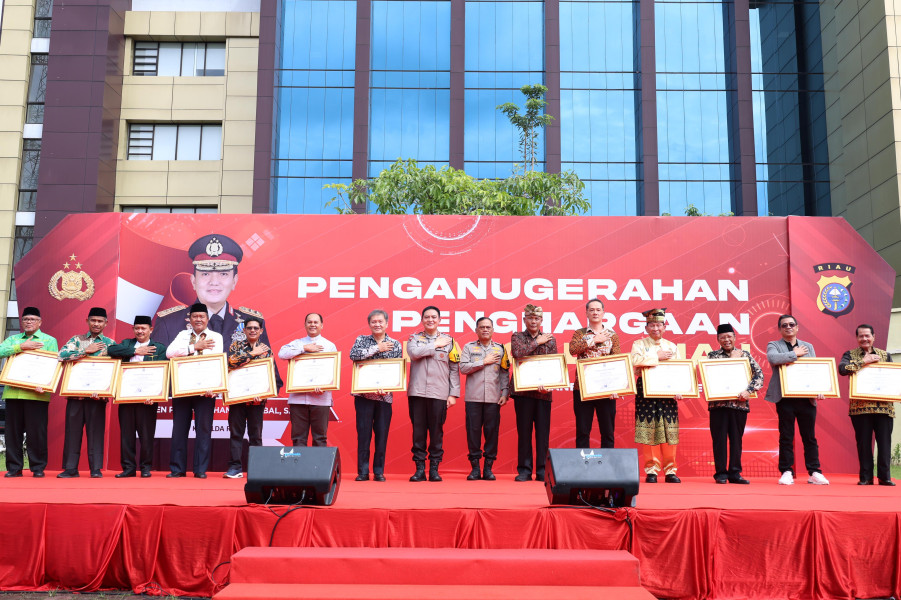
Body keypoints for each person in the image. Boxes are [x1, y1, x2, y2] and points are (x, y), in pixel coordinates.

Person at [154, 233, 270, 350]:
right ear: (193, 281)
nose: (214, 282)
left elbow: (267, 367)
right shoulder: (168, 323)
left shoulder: (252, 324)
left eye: (223, 274)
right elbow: (155, 367)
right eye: (205, 274)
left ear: (234, 281)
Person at [765, 314, 829, 485]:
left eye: (791, 324)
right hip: (785, 398)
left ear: (797, 327)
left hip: (806, 398)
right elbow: (773, 359)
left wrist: (819, 390)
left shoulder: (808, 346)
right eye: (784, 325)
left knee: (809, 437)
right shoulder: (774, 345)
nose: (788, 327)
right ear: (780, 329)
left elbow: (815, 369)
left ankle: (814, 471)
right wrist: (794, 354)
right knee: (786, 436)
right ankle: (786, 471)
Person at [165, 302, 224, 478]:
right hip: (183, 388)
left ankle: (200, 470)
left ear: (207, 319)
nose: (198, 319)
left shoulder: (216, 337)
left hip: (205, 391)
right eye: (195, 316)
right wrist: (194, 347)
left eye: (202, 317)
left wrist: (215, 388)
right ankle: (177, 469)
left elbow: (217, 362)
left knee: (204, 430)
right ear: (189, 319)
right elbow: (169, 353)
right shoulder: (183, 335)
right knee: (179, 429)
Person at [0, 307, 58, 477]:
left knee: (37, 433)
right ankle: (14, 468)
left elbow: (53, 364)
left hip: (37, 392)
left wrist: (45, 384)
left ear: (40, 322)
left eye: (32, 319)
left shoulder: (49, 340)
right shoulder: (13, 339)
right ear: (22, 322)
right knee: (13, 433)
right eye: (26, 319)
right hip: (13, 392)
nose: (29, 322)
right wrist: (21, 346)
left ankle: (38, 467)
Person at [57, 307, 115, 478]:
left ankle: (96, 469)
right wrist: (85, 351)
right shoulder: (77, 339)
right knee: (72, 432)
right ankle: (70, 468)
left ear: (106, 323)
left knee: (96, 432)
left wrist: (106, 390)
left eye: (100, 321)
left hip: (97, 397)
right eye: (93, 320)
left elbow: (115, 370)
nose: (96, 324)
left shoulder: (110, 344)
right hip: (75, 394)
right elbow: (60, 355)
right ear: (87, 321)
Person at [107, 316, 167, 478]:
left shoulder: (159, 347)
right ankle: (128, 468)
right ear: (133, 329)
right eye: (137, 328)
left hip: (148, 399)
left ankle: (146, 467)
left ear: (151, 329)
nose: (140, 331)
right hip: (126, 397)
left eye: (143, 328)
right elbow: (111, 351)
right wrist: (135, 351)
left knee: (146, 435)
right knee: (126, 435)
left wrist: (155, 395)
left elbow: (163, 373)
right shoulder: (127, 344)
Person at [407, 305, 461, 482]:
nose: (430, 320)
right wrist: (434, 345)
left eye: (434, 317)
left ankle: (434, 469)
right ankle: (419, 469)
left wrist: (453, 393)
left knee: (437, 432)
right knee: (418, 432)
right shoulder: (414, 338)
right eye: (427, 317)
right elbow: (414, 354)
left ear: (439, 320)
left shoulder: (450, 341)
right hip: (417, 393)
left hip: (439, 393)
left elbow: (454, 368)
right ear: (422, 320)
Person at [224, 316, 282, 478]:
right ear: (244, 330)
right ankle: (235, 467)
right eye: (249, 328)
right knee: (236, 433)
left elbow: (270, 375)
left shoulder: (266, 350)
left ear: (261, 331)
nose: (252, 330)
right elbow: (230, 362)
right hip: (237, 399)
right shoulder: (236, 346)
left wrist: (263, 395)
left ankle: (257, 468)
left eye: (256, 328)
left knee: (255, 435)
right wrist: (252, 353)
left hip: (257, 401)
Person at [705, 323, 764, 484]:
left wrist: (749, 391)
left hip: (739, 404)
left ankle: (735, 473)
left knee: (737, 440)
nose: (726, 340)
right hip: (718, 405)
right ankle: (721, 473)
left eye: (729, 336)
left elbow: (759, 375)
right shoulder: (712, 356)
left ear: (735, 338)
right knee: (719, 440)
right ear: (718, 339)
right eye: (723, 337)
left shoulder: (745, 355)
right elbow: (708, 376)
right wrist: (732, 360)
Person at [349, 309, 403, 481]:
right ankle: (363, 472)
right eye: (374, 322)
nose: (377, 324)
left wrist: (388, 387)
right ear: (369, 324)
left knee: (382, 434)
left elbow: (396, 369)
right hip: (364, 396)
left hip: (384, 397)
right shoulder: (362, 340)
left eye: (380, 321)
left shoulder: (395, 344)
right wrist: (377, 348)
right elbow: (354, 356)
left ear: (387, 323)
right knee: (363, 435)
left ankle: (379, 471)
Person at [838, 324, 895, 486]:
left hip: (884, 407)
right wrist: (863, 362)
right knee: (863, 444)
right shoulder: (850, 355)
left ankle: (885, 477)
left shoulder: (885, 355)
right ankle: (865, 477)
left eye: (867, 335)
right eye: (861, 336)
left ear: (873, 337)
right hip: (860, 408)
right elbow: (842, 369)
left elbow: (892, 376)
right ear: (857, 338)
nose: (864, 339)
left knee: (884, 443)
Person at [630, 308, 683, 483]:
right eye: (652, 325)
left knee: (669, 430)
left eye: (659, 325)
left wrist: (679, 389)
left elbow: (679, 370)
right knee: (650, 429)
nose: (655, 328)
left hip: (667, 393)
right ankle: (651, 470)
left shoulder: (672, 346)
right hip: (646, 391)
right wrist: (656, 356)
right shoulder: (639, 344)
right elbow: (635, 364)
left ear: (664, 327)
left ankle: (670, 471)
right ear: (646, 328)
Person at [510, 304, 557, 482]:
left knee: (543, 433)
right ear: (525, 320)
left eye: (537, 318)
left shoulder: (551, 339)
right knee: (524, 432)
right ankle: (524, 469)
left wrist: (550, 383)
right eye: (530, 318)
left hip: (543, 392)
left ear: (541, 320)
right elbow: (517, 353)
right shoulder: (517, 336)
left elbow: (553, 363)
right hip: (522, 392)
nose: (533, 321)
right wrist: (537, 342)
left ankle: (542, 470)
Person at [460, 317, 510, 481]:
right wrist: (484, 361)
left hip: (493, 398)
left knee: (492, 433)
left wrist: (504, 393)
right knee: (473, 433)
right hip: (473, 398)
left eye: (488, 327)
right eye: (482, 327)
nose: (485, 330)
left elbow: (504, 372)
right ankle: (475, 469)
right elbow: (463, 368)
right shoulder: (468, 347)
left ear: (493, 330)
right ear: (476, 330)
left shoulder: (500, 349)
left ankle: (488, 468)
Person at [278, 313, 337, 447]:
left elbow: (331, 370)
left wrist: (324, 386)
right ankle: (300, 468)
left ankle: (318, 468)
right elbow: (282, 353)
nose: (312, 325)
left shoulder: (329, 346)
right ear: (305, 325)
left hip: (321, 398)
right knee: (298, 439)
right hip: (298, 399)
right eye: (309, 322)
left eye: (316, 322)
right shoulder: (297, 343)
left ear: (322, 325)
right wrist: (304, 348)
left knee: (320, 438)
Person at [569, 298, 620, 448]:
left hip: (606, 389)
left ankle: (607, 468)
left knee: (608, 431)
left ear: (603, 313)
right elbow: (573, 350)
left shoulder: (612, 335)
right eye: (592, 310)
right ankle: (583, 468)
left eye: (598, 310)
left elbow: (617, 361)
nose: (595, 312)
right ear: (586, 313)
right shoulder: (580, 333)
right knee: (583, 431)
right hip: (583, 389)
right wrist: (594, 340)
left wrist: (616, 388)